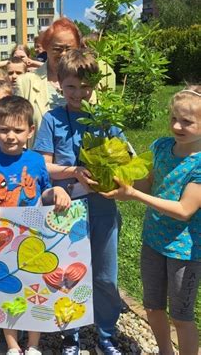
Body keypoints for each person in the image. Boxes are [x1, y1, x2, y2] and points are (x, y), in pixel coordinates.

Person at [34, 50, 126, 355]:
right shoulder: (52, 119)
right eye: (71, 86)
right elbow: (42, 166)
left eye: (85, 86)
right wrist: (73, 170)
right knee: (68, 273)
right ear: (60, 84)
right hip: (66, 210)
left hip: (102, 207)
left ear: (96, 85)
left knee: (104, 274)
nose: (78, 93)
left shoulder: (105, 119)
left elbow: (126, 159)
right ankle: (70, 334)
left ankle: (106, 333)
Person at [102, 86, 201, 355]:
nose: (177, 126)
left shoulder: (199, 163)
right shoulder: (161, 147)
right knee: (153, 307)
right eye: (173, 118)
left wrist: (134, 195)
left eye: (187, 122)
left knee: (181, 316)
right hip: (153, 241)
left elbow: (184, 210)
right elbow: (148, 183)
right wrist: (124, 189)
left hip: (184, 250)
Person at [0, 96, 71, 355]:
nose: (10, 136)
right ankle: (13, 345)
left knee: (34, 287)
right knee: (7, 290)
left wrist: (58, 192)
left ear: (30, 131)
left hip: (33, 237)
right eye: (4, 130)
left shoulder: (37, 161)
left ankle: (34, 344)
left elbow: (45, 192)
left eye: (17, 130)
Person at [15, 18, 116, 142]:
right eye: (57, 49)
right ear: (46, 47)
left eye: (69, 49)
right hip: (42, 158)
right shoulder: (26, 82)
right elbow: (17, 128)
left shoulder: (94, 79)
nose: (63, 54)